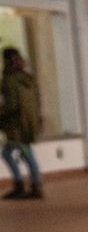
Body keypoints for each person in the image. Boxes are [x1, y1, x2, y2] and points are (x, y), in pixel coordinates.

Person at [1, 48, 43, 200]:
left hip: (16, 125)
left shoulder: (10, 80)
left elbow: (11, 105)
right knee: (24, 153)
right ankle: (32, 185)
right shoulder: (27, 78)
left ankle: (29, 185)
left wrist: (1, 114)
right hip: (28, 122)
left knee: (15, 153)